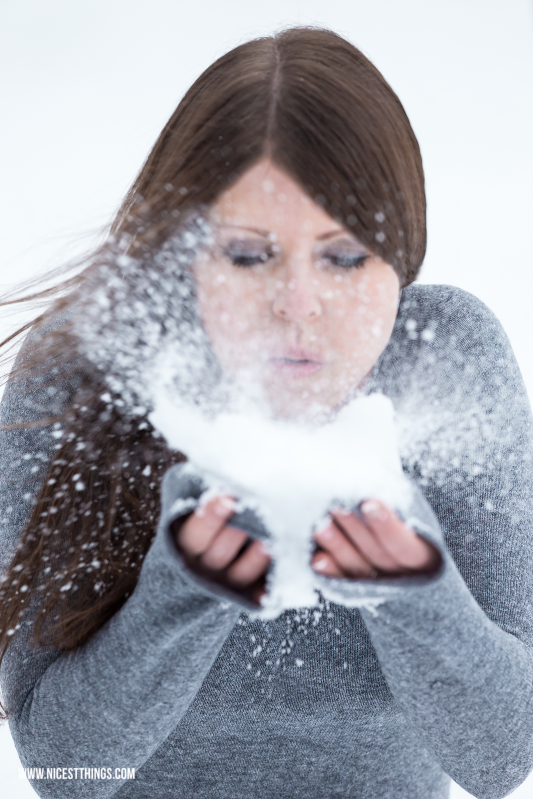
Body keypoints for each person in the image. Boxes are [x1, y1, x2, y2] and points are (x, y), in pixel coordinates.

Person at [0, 26, 532, 799]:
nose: (298, 307)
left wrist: (414, 592)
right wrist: (181, 595)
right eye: (249, 256)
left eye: (345, 257)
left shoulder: (443, 361)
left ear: (401, 265)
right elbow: (63, 773)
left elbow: (503, 759)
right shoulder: (89, 372)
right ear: (183, 258)